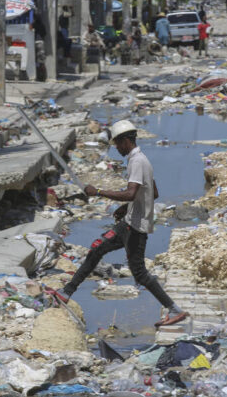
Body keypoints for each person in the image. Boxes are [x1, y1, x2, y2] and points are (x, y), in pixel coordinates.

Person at [47, 120, 188, 327]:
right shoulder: (139, 160)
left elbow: (131, 193)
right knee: (96, 249)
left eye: (117, 144)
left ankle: (174, 310)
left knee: (139, 273)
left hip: (135, 227)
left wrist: (98, 192)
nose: (116, 148)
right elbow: (152, 192)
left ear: (125, 141)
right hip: (129, 221)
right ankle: (67, 292)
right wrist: (126, 208)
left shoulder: (137, 162)